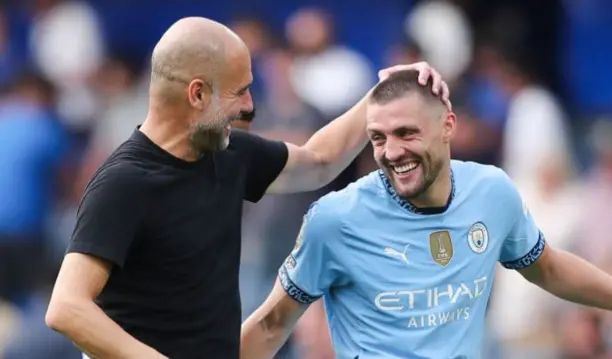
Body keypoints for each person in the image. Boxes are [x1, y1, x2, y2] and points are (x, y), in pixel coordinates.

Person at [44, 17, 450, 359]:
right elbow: (66, 308)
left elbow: (319, 160)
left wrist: (383, 94)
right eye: (240, 91)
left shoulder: (229, 152)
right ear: (198, 93)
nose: (250, 106)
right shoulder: (124, 182)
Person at [240, 69, 612, 359]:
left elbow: (548, 268)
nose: (391, 152)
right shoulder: (336, 218)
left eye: (406, 133)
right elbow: (272, 325)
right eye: (378, 137)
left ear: (447, 126)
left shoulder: (491, 192)